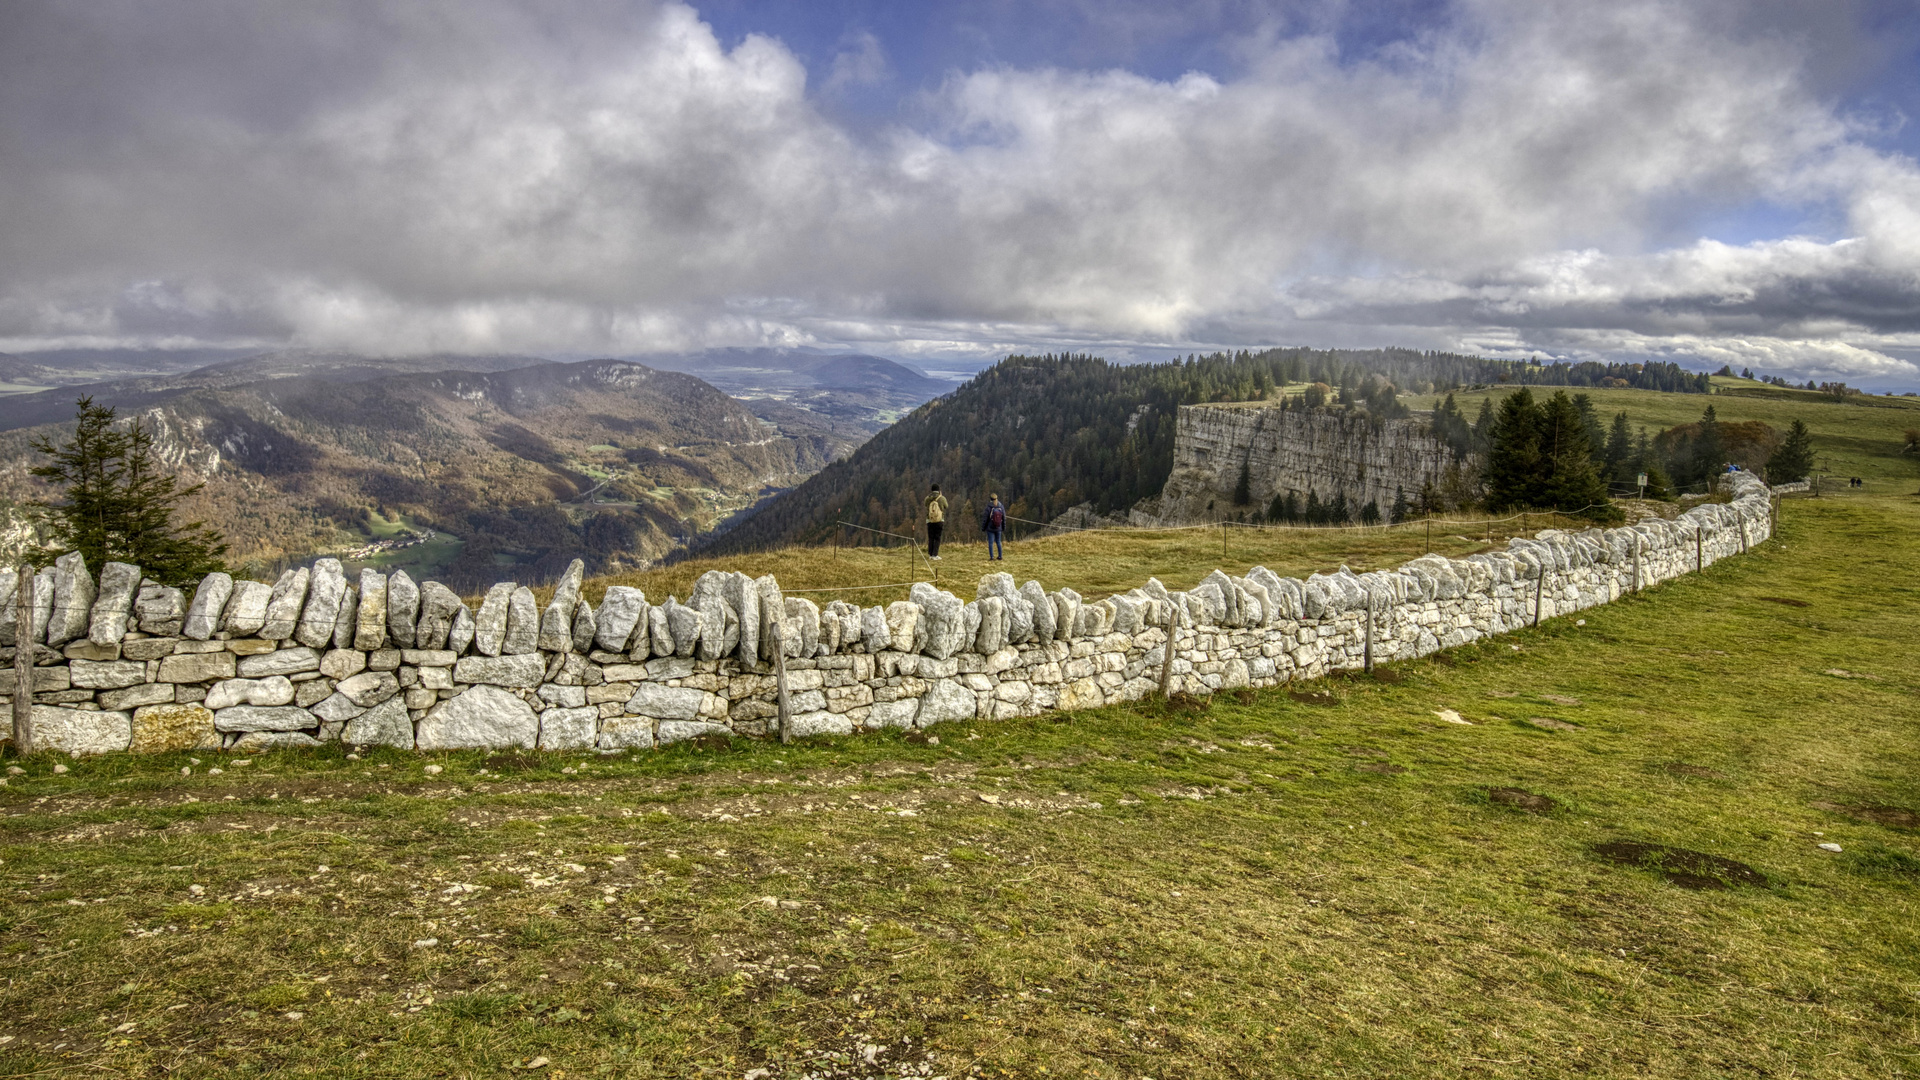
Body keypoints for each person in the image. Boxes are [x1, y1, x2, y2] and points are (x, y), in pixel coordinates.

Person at [924, 484, 948, 560]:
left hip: (929, 520)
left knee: (931, 537)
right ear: (939, 490)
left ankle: (930, 554)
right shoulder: (942, 498)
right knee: (937, 537)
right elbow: (946, 506)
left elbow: (925, 505)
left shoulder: (928, 498)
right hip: (939, 520)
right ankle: (935, 554)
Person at [981, 493, 1006, 560]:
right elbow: (1004, 518)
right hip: (998, 528)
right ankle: (1000, 556)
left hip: (990, 528)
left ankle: (992, 557)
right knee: (998, 542)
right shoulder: (1001, 506)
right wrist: (1003, 527)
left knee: (991, 543)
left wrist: (983, 528)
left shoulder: (989, 507)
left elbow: (985, 519)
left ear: (990, 499)